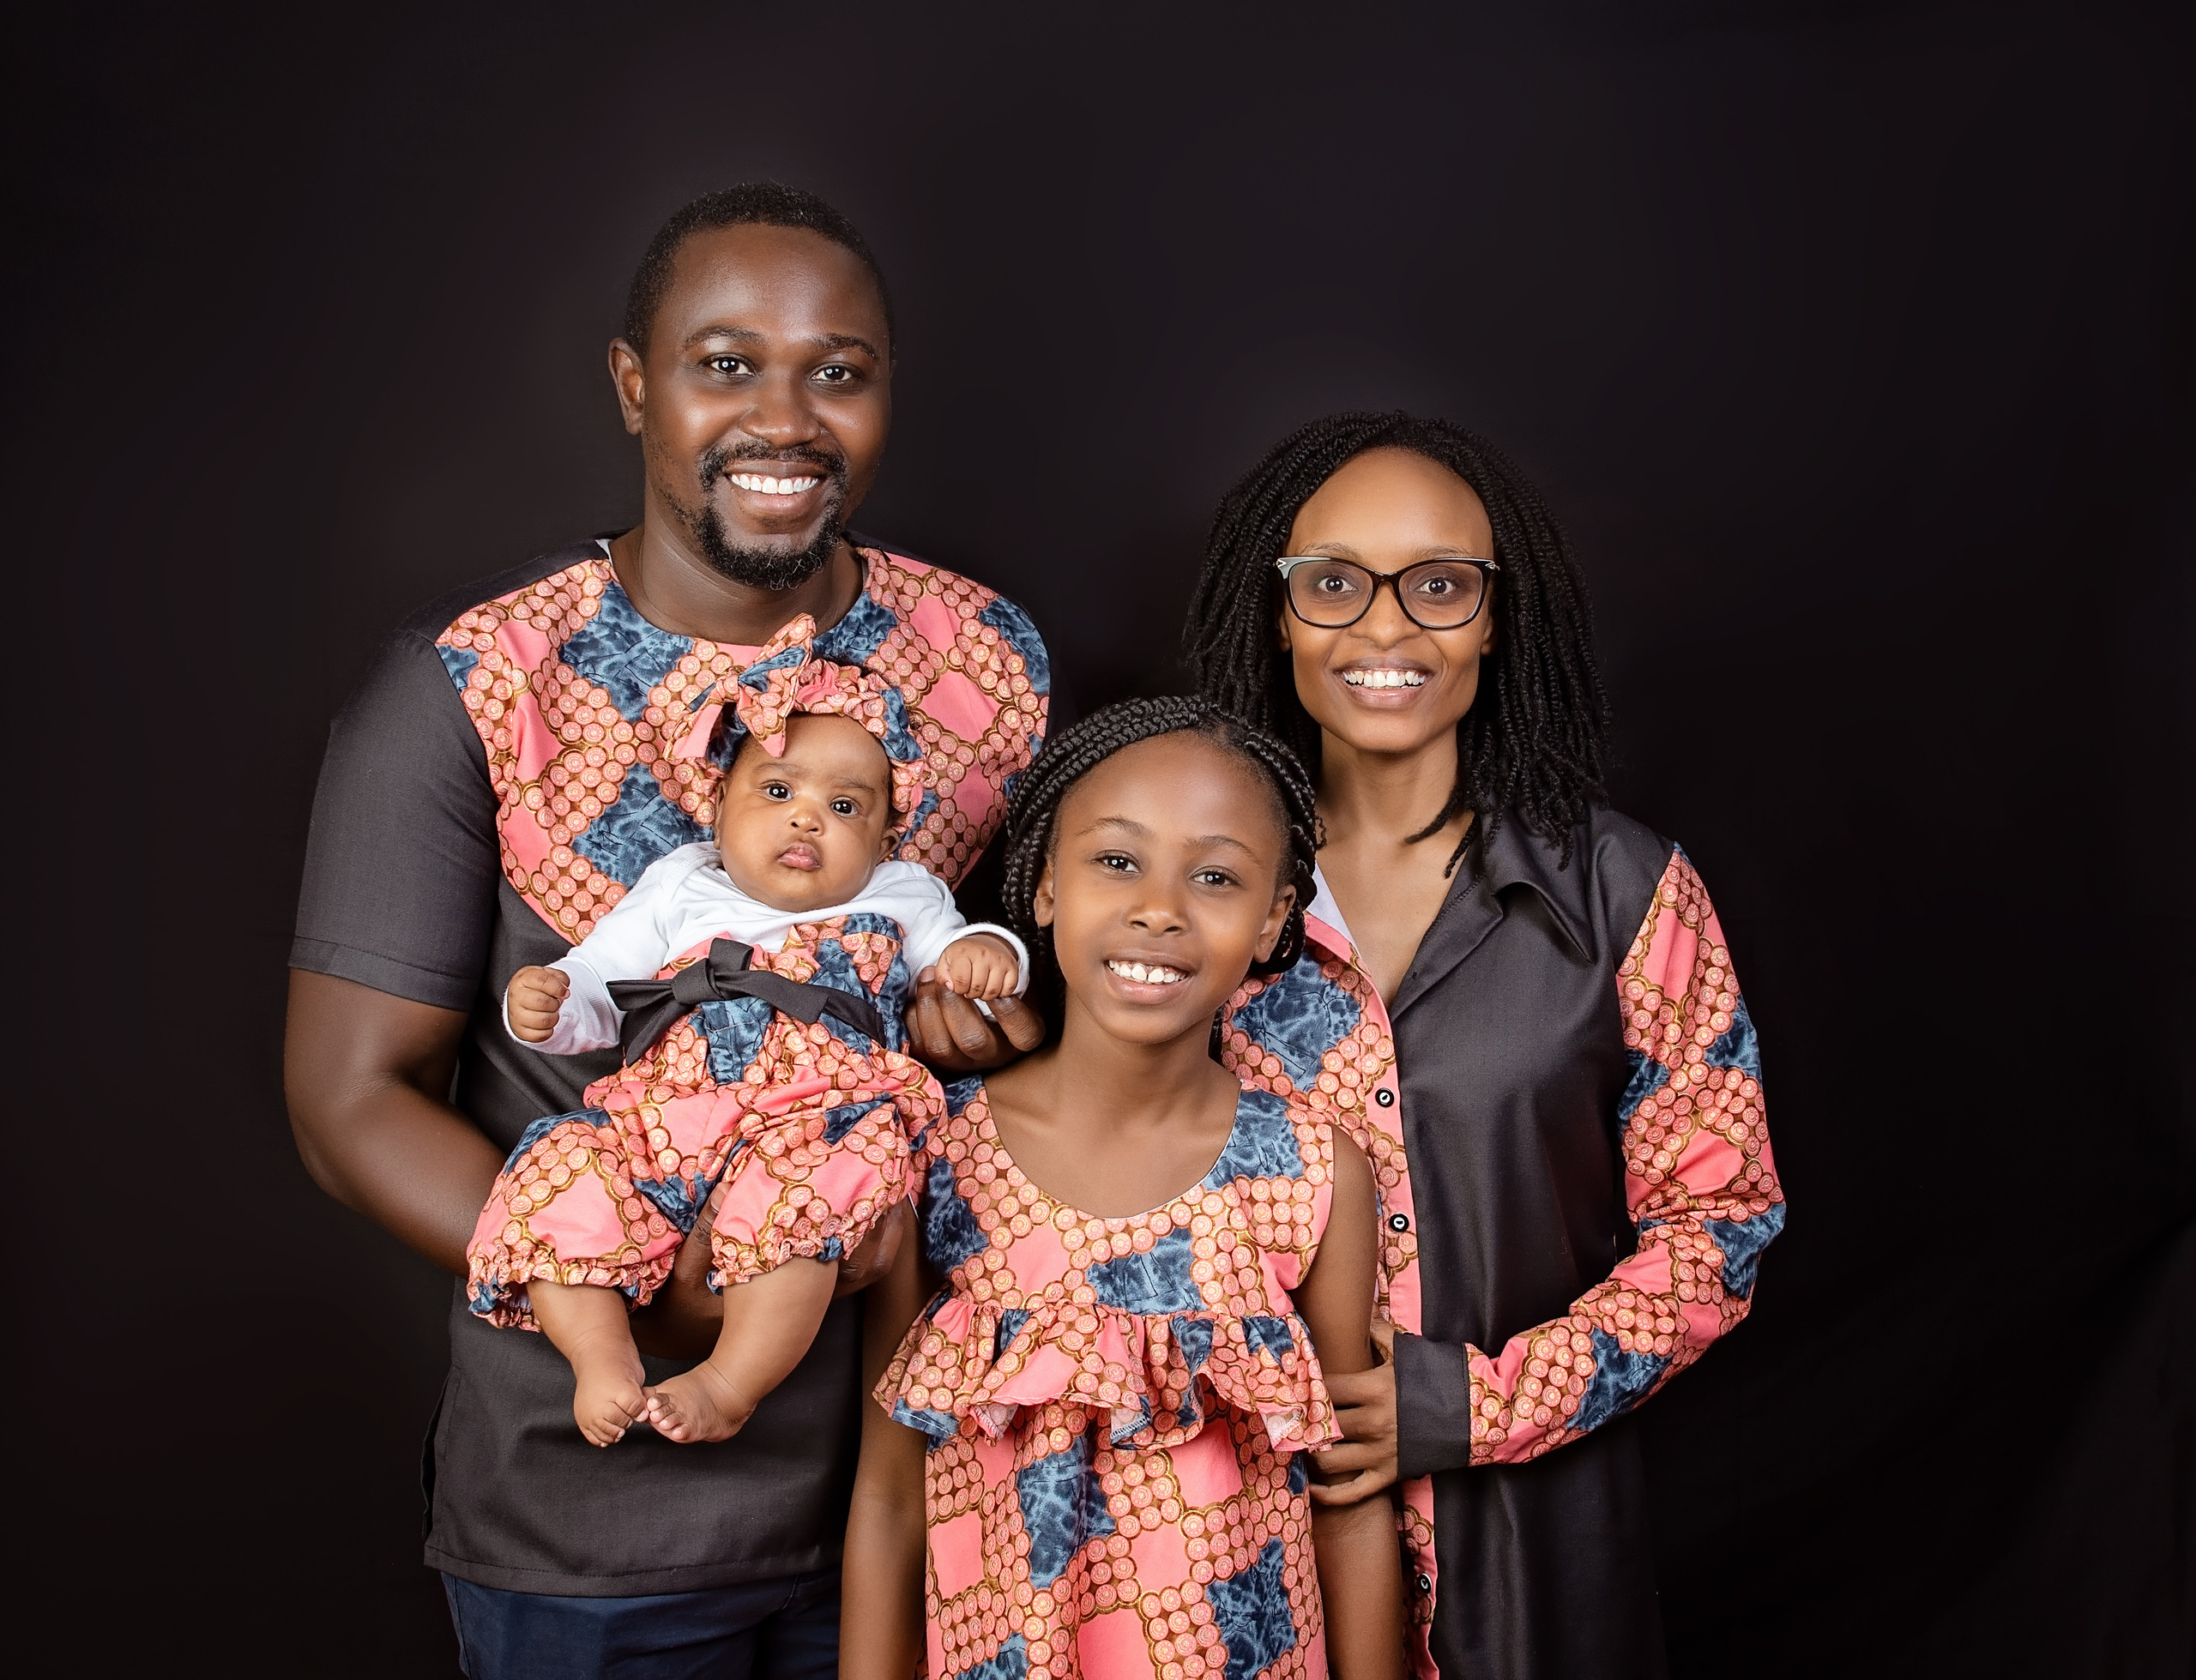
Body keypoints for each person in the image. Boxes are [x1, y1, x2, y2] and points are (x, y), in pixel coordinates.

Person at [286, 183, 1050, 1678]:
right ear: (635, 383)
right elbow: (347, 1102)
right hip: (602, 1516)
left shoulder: (984, 662)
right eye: (726, 363)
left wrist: (994, 1019)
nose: (787, 417)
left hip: (940, 1478)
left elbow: (1044, 1008)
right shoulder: (478, 682)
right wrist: (674, 1279)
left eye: (838, 370)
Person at [1185, 413, 1787, 1680]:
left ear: (1495, 617)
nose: (1384, 628)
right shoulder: (1186, 890)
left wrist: (1485, 1401)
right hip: (1223, 1551)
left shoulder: (1627, 893)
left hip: (1525, 1558)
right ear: (1279, 614)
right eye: (1334, 583)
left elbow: (1720, 1226)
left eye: (1438, 585)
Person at [842, 698, 1408, 1680]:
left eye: (1216, 877)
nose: (1159, 908)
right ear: (1045, 885)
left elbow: (1348, 1499)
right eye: (1116, 860)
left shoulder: (1313, 1173)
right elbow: (889, 1495)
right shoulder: (935, 1153)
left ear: (1275, 919)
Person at [470, 619, 1027, 1448]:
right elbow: (602, 978)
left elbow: (957, 954)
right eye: (776, 792)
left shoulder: (901, 892)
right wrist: (555, 1000)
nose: (807, 820)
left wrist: (988, 953)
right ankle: (600, 1353)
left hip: (816, 1116)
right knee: (565, 1167)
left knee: (807, 1198)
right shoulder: (680, 883)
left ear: (885, 837)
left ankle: (731, 1382)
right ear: (719, 806)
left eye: (844, 806)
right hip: (664, 1120)